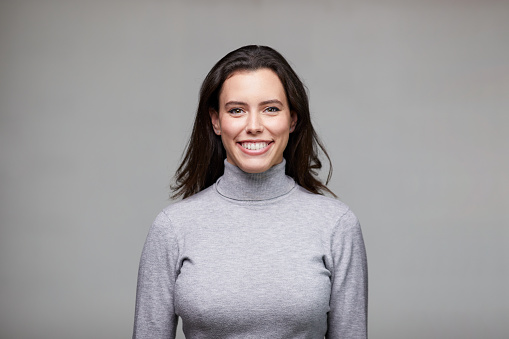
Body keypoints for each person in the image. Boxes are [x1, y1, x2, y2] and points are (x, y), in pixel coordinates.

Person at [133, 45, 368, 339]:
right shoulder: (172, 227)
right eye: (236, 110)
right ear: (216, 121)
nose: (254, 126)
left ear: (292, 119)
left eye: (271, 109)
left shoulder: (337, 225)